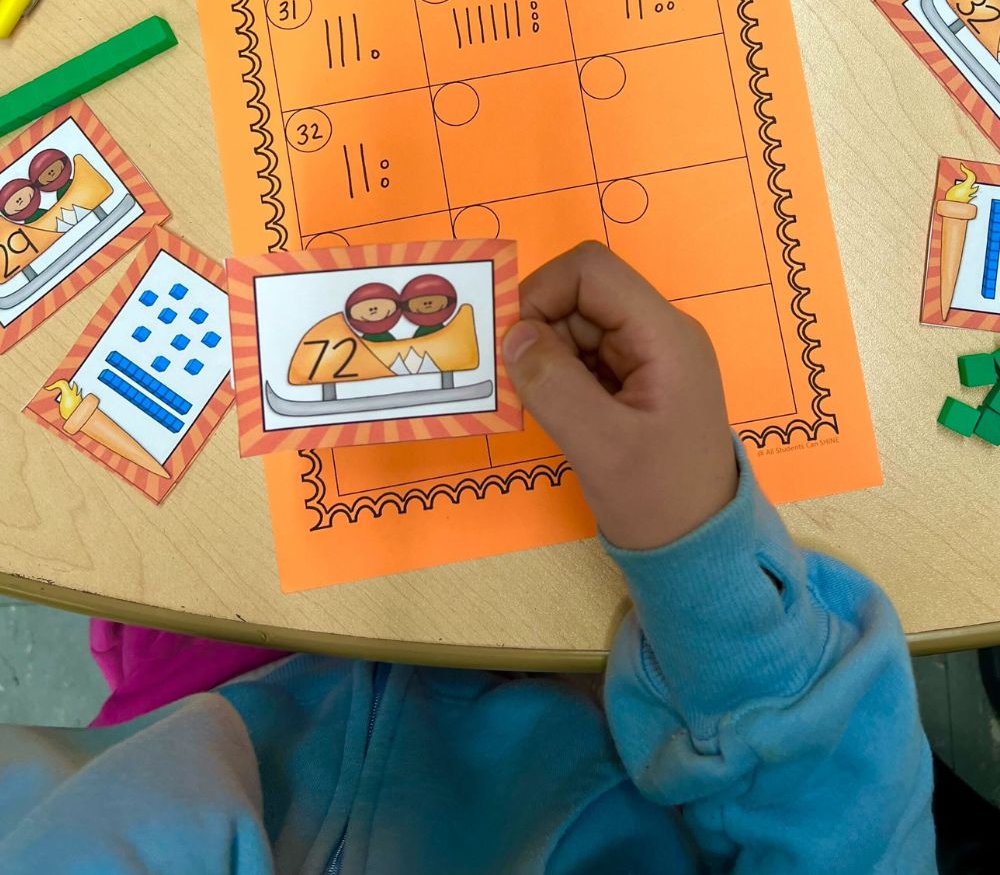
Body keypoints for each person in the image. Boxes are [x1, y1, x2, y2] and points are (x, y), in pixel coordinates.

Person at [0, 242, 935, 872]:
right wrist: (707, 563)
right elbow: (852, 835)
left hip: (228, 695)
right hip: (635, 720)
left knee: (126, 529)